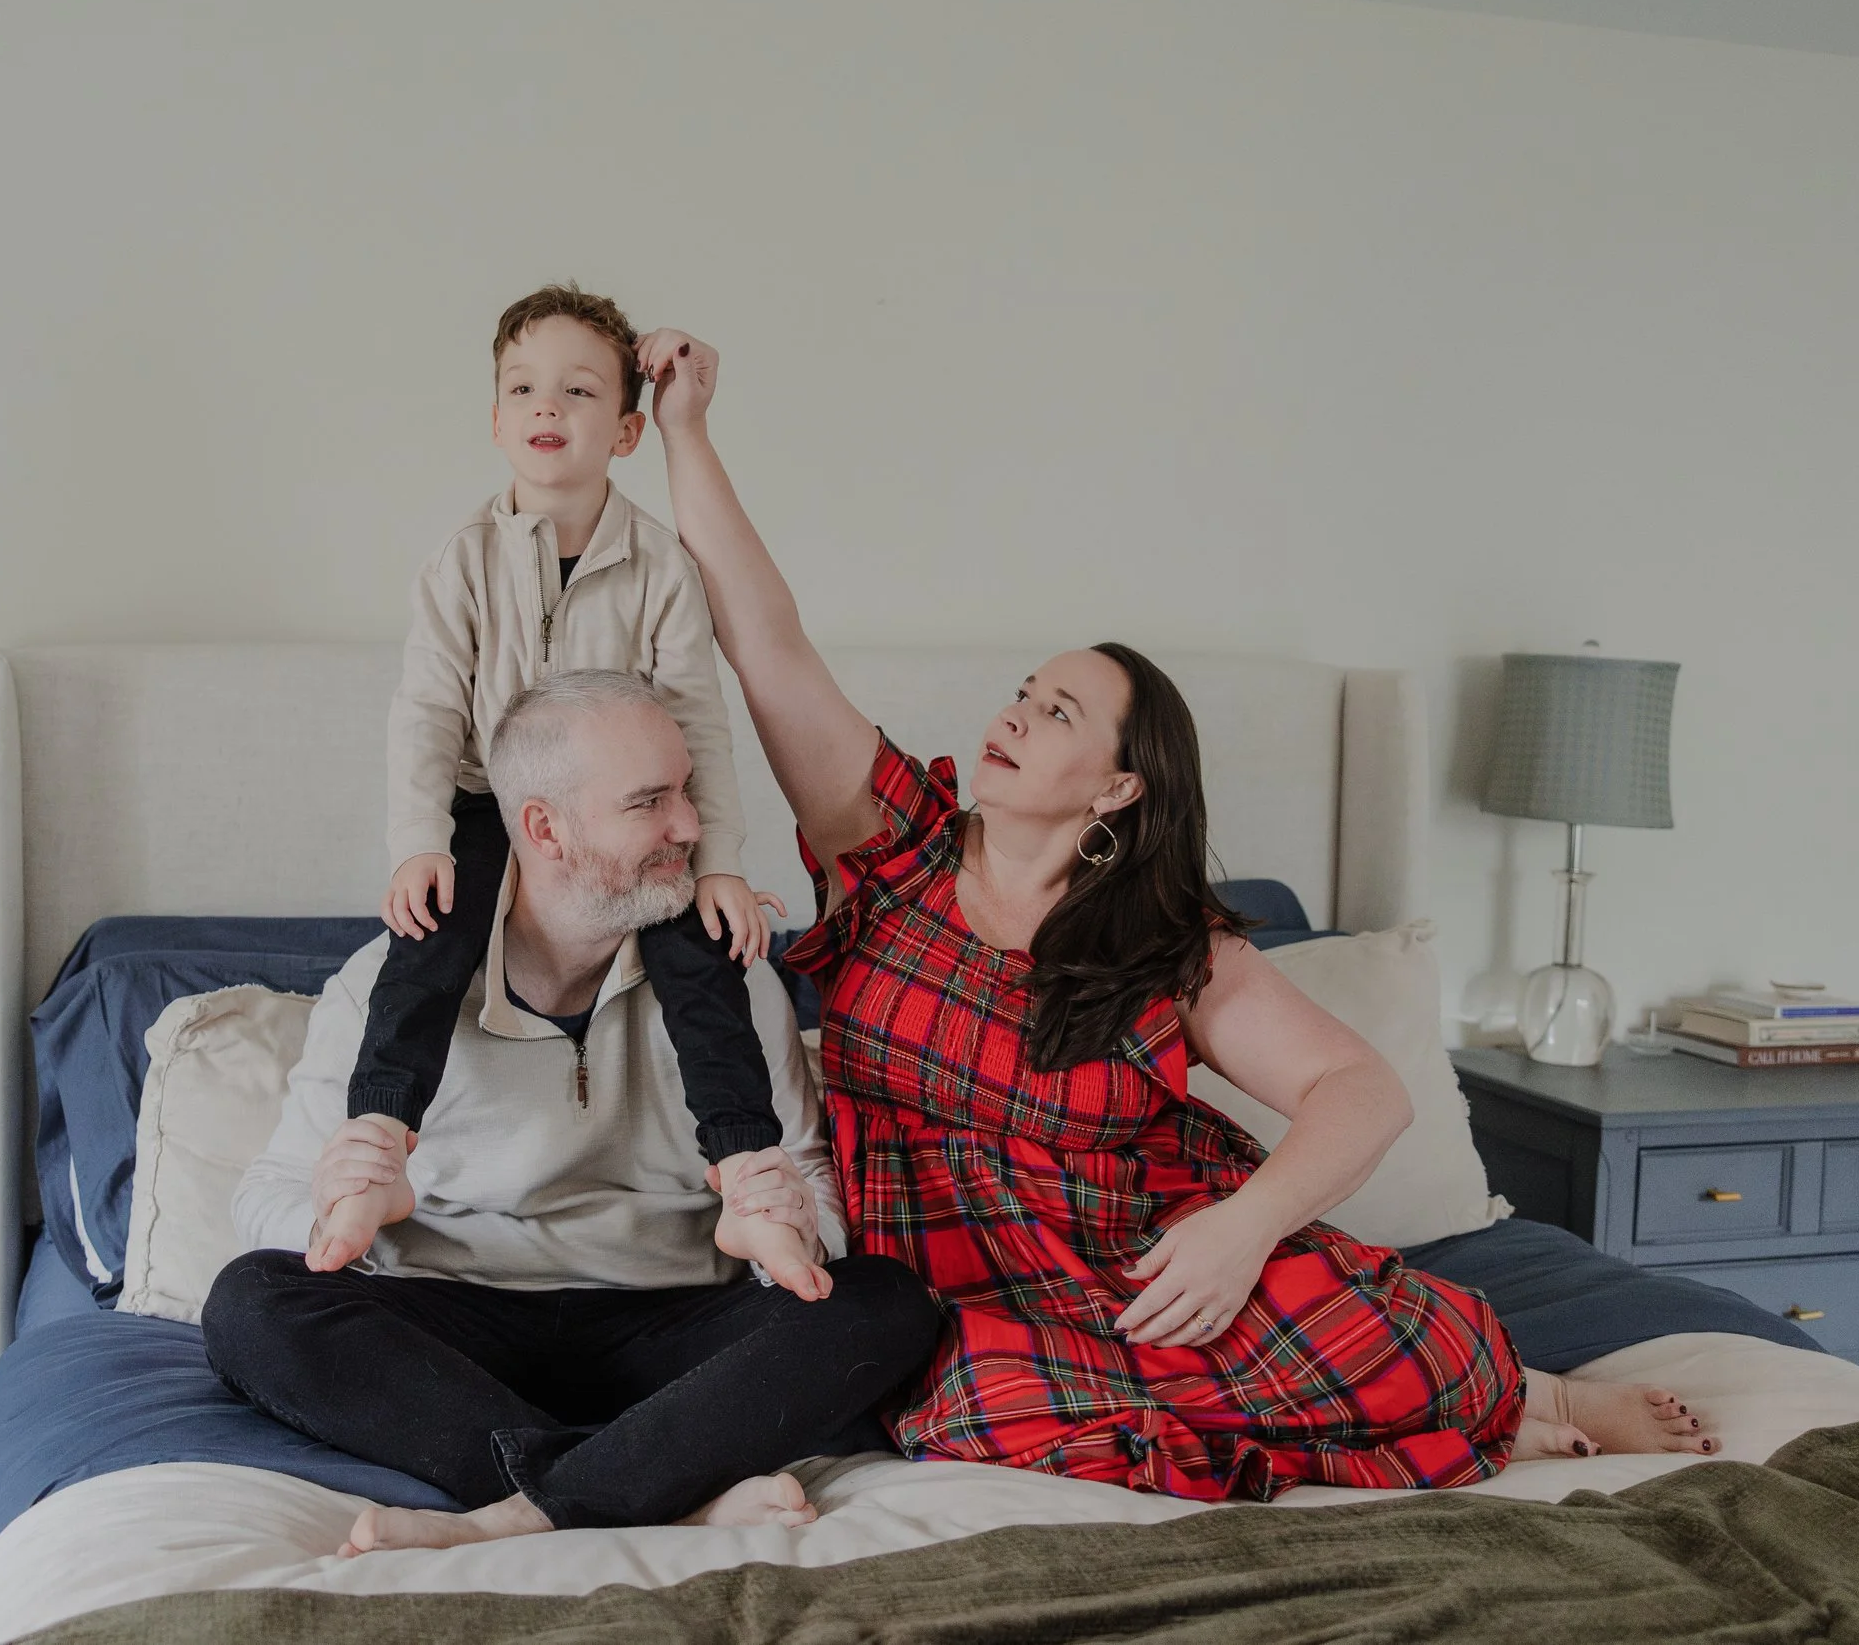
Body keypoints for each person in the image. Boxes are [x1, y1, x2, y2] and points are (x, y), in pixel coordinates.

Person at [639, 325, 1722, 1500]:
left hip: (1157, 1260)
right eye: (1022, 693)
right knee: (969, 1398)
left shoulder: (1168, 945)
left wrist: (1242, 1226)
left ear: (1115, 787)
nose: (1012, 715)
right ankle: (1472, 1417)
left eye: (1056, 711)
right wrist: (688, 432)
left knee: (1424, 1348)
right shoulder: (888, 847)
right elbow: (763, 637)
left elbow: (1364, 1090)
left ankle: (1529, 1388)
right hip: (966, 1296)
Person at [203, 670, 943, 1554]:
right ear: (543, 828)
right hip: (456, 1332)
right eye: (649, 803)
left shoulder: (730, 977)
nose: (692, 828)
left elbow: (806, 1173)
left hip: (674, 1331)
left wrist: (798, 1216)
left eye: (687, 793)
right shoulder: (384, 986)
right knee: (252, 1303)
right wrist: (330, 1204)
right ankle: (660, 1493)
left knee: (884, 1302)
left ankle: (524, 1510)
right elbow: (269, 1197)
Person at [321, 282, 816, 1294]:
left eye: (581, 391)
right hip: (484, 801)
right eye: (525, 388)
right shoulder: (460, 564)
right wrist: (419, 839)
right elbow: (424, 711)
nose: (549, 408)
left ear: (628, 429)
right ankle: (377, 1143)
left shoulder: (659, 569)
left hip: (629, 826)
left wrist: (717, 858)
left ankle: (749, 1178)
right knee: (427, 951)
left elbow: (698, 723)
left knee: (702, 960)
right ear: (496, 419)